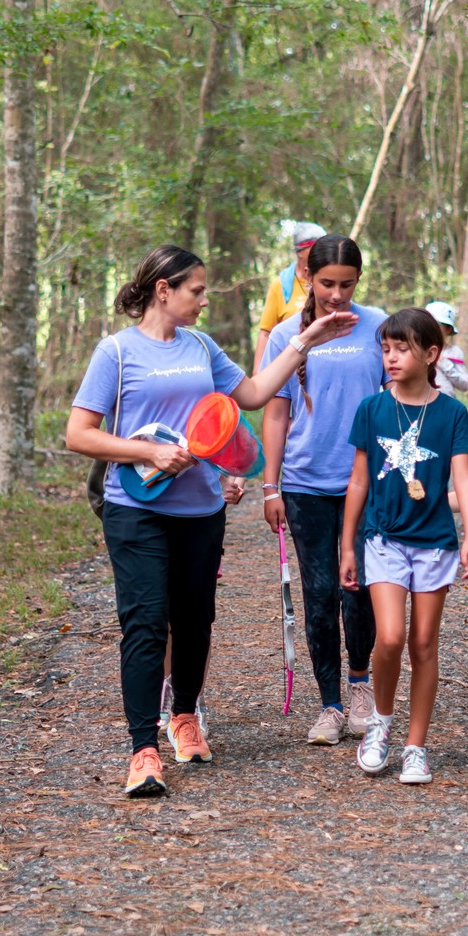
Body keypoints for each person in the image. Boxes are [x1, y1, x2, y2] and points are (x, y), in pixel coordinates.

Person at [65, 245, 358, 798]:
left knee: (195, 620)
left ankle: (184, 718)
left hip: (200, 508)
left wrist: (303, 342)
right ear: (163, 290)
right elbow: (79, 434)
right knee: (147, 621)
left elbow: (250, 393)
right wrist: (144, 452)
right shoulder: (117, 353)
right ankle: (142, 750)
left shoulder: (201, 346)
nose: (204, 300)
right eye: (196, 291)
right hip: (137, 509)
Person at [341, 308, 468, 784]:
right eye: (386, 349)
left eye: (402, 349)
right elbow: (358, 481)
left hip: (436, 543)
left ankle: (416, 746)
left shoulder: (452, 413)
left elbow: (463, 475)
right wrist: (347, 546)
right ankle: (380, 722)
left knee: (423, 643)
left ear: (431, 353)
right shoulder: (372, 408)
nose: (392, 358)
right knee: (392, 638)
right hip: (383, 539)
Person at [259, 235, 387, 746]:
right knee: (319, 595)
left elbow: (397, 394)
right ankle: (329, 705)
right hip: (306, 483)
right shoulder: (288, 335)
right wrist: (271, 486)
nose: (336, 294)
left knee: (358, 591)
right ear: (307, 278)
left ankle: (360, 687)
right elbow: (274, 411)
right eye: (327, 283)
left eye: (347, 284)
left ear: (359, 280)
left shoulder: (377, 325)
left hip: (366, 482)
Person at [254, 220, 328, 371]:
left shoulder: (330, 281)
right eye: (316, 246)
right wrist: (258, 372)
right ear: (300, 251)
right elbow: (266, 332)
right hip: (288, 367)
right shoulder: (280, 285)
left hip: (325, 362)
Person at [425, 301, 468, 396]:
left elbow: (465, 385)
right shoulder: (418, 349)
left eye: (437, 325)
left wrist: (444, 364)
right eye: (428, 324)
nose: (431, 328)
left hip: (446, 406)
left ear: (448, 329)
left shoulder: (454, 352)